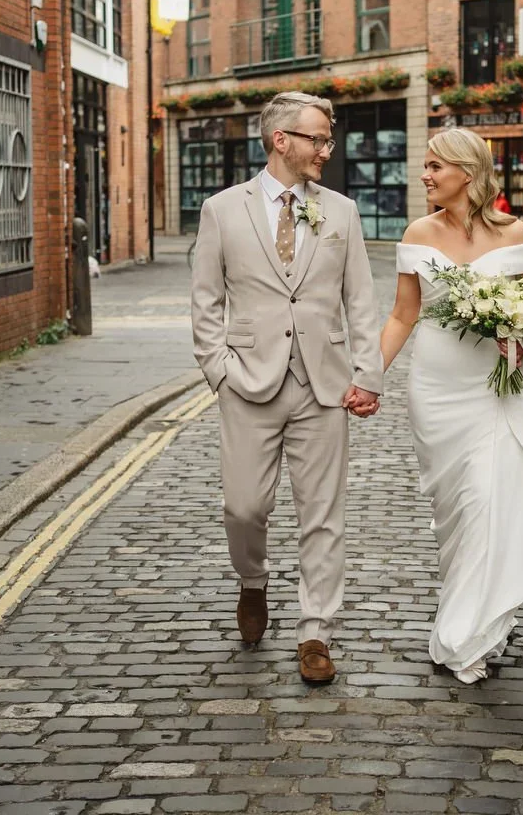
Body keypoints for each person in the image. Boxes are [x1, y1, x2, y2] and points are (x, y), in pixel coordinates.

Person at [377, 127, 523, 683]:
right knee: (457, 511)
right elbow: (403, 314)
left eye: (434, 167)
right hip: (437, 388)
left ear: (466, 174)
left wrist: (514, 332)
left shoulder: (516, 234)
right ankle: (469, 605)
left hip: (498, 390)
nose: (424, 175)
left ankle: (466, 632)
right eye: (424, 166)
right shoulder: (418, 232)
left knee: (489, 502)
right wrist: (367, 374)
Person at [190, 91, 383, 685]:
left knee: (323, 514)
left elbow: (360, 301)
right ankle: (253, 582)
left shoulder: (342, 212)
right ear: (282, 140)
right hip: (247, 382)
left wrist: (367, 374)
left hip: (323, 385)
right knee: (242, 507)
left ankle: (315, 630)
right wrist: (218, 370)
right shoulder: (222, 210)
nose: (328, 148)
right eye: (318, 138)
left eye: (328, 139)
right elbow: (206, 301)